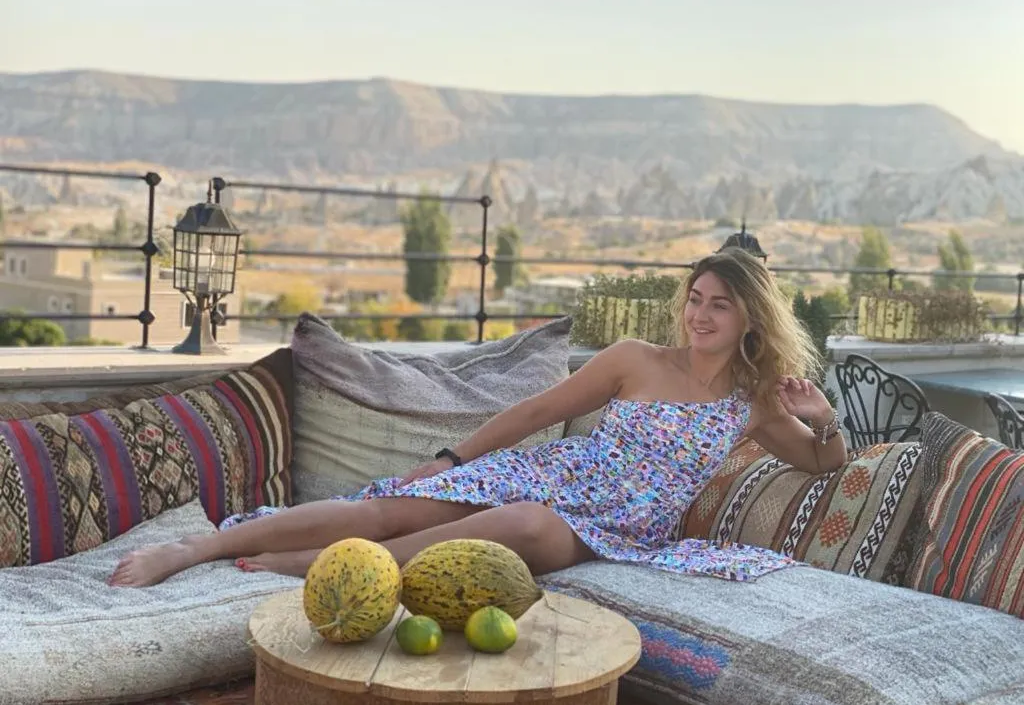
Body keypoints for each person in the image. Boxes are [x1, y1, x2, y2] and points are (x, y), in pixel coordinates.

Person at [108, 247, 846, 588]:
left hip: (610, 524)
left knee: (524, 526)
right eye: (695, 298)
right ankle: (193, 553)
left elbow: (823, 463)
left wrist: (824, 417)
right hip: (551, 472)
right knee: (398, 507)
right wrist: (455, 462)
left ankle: (320, 567)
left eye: (719, 303)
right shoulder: (635, 357)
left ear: (750, 315)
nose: (701, 314)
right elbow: (535, 409)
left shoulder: (753, 401)